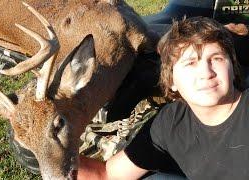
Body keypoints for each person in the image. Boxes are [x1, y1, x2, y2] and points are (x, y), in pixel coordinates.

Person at [77, 16, 249, 180]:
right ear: (171, 80)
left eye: (216, 58)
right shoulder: (171, 123)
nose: (206, 73)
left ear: (233, 67)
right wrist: (52, 157)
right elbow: (107, 174)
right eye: (191, 62)